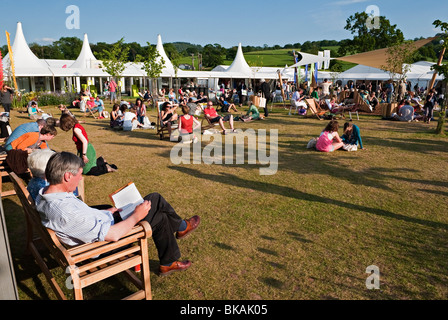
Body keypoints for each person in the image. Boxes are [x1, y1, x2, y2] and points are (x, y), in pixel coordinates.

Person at [35, 151, 200, 276]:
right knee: (155, 204)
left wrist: (106, 212)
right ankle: (181, 229)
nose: (80, 179)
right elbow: (112, 235)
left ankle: (171, 255)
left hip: (100, 226)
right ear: (67, 176)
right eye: (79, 175)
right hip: (103, 247)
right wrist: (136, 215)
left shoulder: (46, 194)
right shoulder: (65, 212)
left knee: (156, 209)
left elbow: (82, 216)